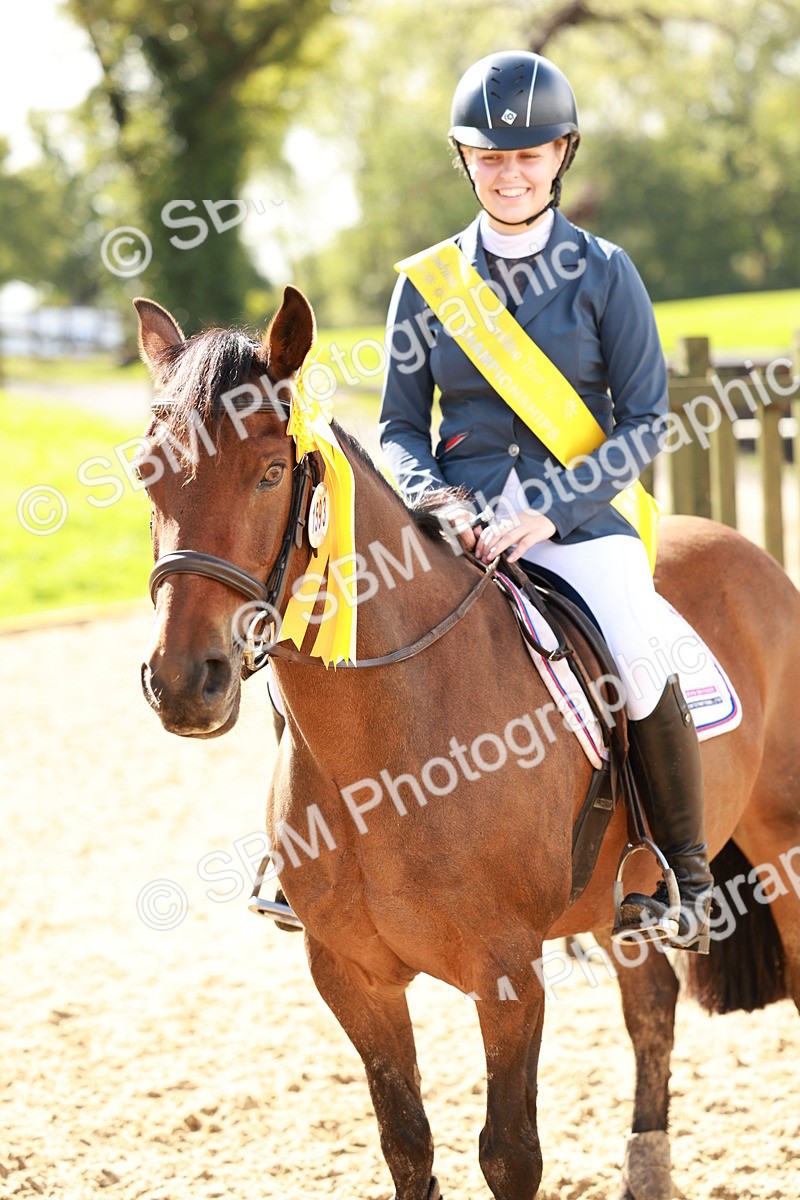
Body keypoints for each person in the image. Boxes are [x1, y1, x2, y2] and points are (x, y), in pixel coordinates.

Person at [378, 50, 713, 952]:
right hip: (460, 529)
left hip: (580, 524)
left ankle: (679, 865)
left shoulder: (607, 272)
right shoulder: (426, 284)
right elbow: (400, 431)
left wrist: (553, 512)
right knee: (337, 619)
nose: (510, 172)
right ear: (464, 160)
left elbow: (646, 421)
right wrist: (438, 503)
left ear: (562, 154)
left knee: (636, 653)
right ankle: (309, 862)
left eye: (529, 156)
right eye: (491, 157)